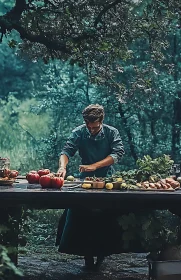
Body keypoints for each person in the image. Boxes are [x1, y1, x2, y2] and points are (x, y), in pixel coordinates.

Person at [55, 104, 126, 270]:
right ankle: (86, 256)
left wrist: (94, 166)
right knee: (81, 215)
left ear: (101, 121)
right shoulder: (79, 132)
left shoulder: (111, 132)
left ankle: (102, 255)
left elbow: (118, 153)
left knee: (106, 217)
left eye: (95, 127)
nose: (91, 129)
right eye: (88, 126)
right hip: (85, 180)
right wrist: (62, 167)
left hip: (108, 179)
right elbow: (66, 151)